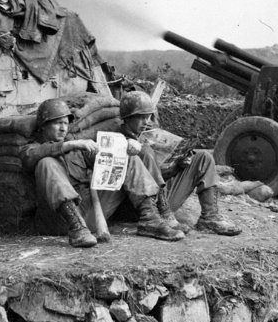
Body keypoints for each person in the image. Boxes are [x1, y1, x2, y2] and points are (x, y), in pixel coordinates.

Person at [20, 98, 184, 248]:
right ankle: (76, 227)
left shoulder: (78, 149)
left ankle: (150, 219)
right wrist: (69, 145)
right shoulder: (31, 149)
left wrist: (126, 146)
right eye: (57, 123)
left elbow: (106, 155)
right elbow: (30, 157)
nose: (63, 128)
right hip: (58, 221)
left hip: (90, 214)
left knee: (126, 158)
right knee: (46, 163)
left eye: (65, 123)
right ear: (43, 126)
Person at [117, 90, 240, 236]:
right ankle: (161, 215)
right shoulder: (119, 141)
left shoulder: (148, 136)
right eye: (141, 118)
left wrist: (177, 166)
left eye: (148, 117)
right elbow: (138, 182)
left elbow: (157, 177)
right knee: (144, 151)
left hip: (161, 200)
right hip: (139, 207)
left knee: (203, 157)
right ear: (128, 118)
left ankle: (210, 217)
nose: (146, 122)